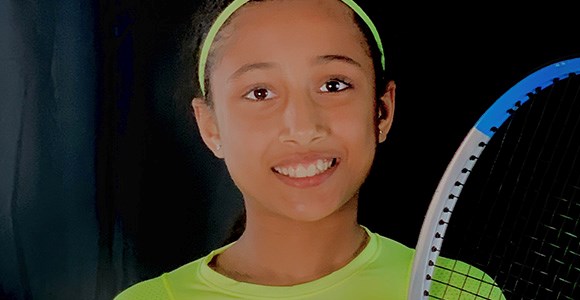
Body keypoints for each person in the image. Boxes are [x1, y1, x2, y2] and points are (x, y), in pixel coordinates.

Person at [114, 0, 503, 299]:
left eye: (334, 85)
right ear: (210, 126)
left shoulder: (458, 291)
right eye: (259, 92)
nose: (302, 128)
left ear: (382, 111)